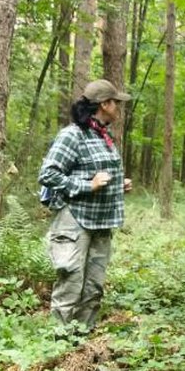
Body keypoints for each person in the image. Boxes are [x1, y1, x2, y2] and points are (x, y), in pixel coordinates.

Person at [39, 79, 132, 333]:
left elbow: (97, 172)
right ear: (104, 104)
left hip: (102, 222)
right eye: (116, 103)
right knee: (71, 281)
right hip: (76, 220)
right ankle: (59, 342)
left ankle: (83, 340)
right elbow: (48, 174)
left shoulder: (104, 135)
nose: (119, 108)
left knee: (94, 285)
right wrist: (87, 185)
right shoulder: (73, 135)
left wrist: (116, 184)